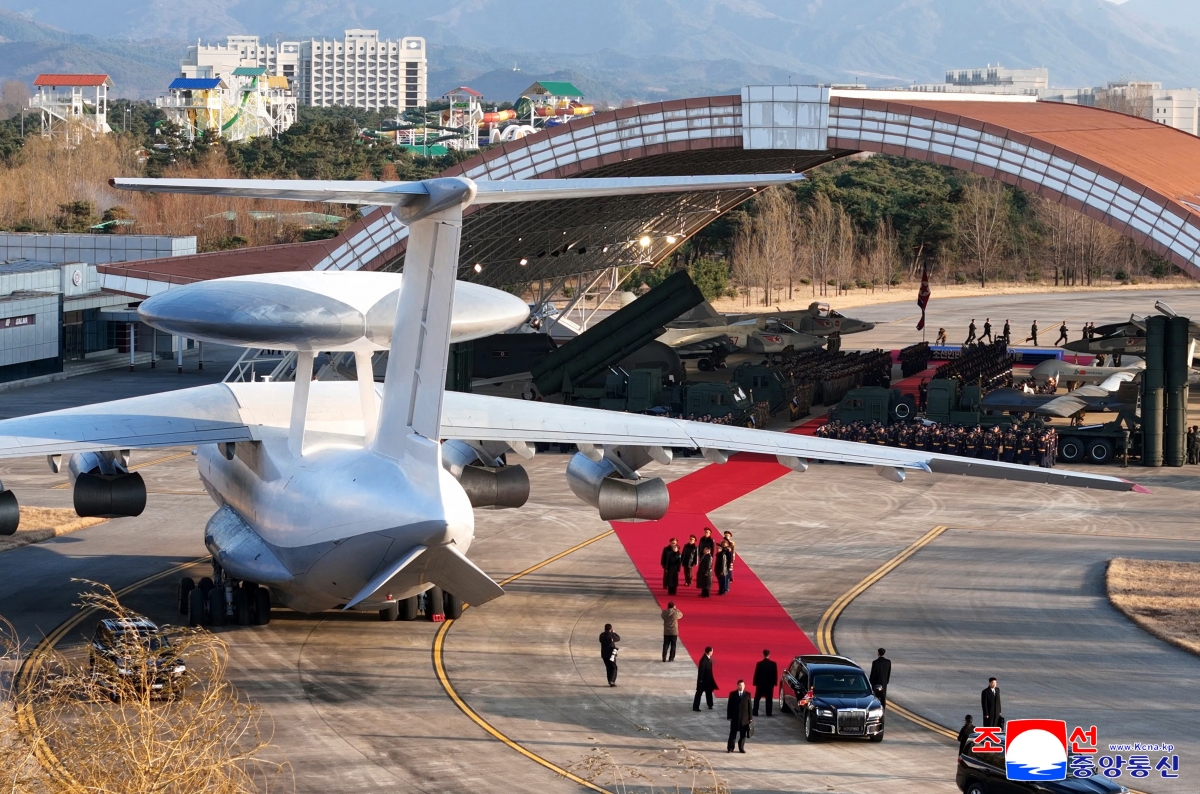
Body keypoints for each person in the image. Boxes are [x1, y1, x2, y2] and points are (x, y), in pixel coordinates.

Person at [726, 680, 753, 753]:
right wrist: (729, 716)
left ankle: (741, 748)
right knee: (732, 733)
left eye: (743, 685)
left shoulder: (747, 695)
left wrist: (750, 718)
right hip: (735, 717)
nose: (741, 687)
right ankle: (730, 748)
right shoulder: (732, 694)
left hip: (744, 718)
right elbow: (729, 706)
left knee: (743, 734)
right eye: (740, 685)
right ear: (737, 686)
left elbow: (750, 707)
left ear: (745, 686)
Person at [752, 649, 778, 717]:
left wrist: (755, 682)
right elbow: (775, 674)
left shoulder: (759, 664)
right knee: (769, 699)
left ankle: (755, 712)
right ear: (769, 655)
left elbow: (756, 674)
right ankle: (768, 712)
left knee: (757, 698)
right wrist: (774, 683)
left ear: (763, 655)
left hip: (760, 684)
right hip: (769, 685)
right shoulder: (773, 664)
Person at [693, 646, 718, 711]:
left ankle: (710, 704)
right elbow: (701, 670)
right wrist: (701, 680)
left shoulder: (707, 658)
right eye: (712, 651)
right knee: (699, 693)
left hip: (708, 680)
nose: (712, 652)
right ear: (709, 652)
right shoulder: (704, 660)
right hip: (703, 681)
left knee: (709, 692)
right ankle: (695, 707)